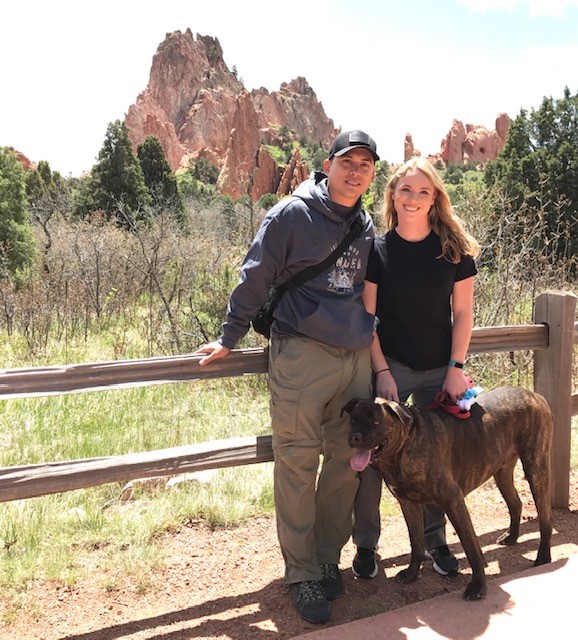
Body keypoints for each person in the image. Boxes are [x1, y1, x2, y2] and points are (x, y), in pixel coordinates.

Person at [194, 131, 379, 624]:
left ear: (372, 174)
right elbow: (254, 276)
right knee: (297, 462)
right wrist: (229, 337)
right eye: (348, 162)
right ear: (328, 164)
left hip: (355, 359)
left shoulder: (364, 224)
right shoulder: (291, 215)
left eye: (366, 164)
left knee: (346, 462)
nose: (356, 171)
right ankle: (301, 575)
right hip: (301, 353)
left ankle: (326, 558)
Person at [351, 157, 480, 581]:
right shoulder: (378, 250)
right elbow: (367, 318)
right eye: (405, 190)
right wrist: (383, 372)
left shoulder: (452, 250)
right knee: (369, 455)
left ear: (434, 198)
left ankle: (435, 543)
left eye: (423, 191)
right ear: (392, 194)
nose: (413, 198)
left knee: (434, 464)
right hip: (393, 368)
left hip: (440, 372)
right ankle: (367, 546)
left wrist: (455, 368)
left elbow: (463, 314)